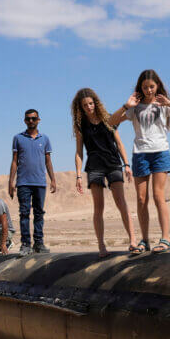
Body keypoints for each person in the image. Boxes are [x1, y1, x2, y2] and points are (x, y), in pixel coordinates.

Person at [110, 70, 170, 254]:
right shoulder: (134, 108)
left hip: (160, 152)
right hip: (140, 154)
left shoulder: (164, 105)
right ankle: (144, 240)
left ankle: (165, 239)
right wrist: (126, 105)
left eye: (152, 87)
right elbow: (111, 121)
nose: (148, 90)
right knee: (141, 199)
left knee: (158, 196)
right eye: (145, 87)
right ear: (140, 87)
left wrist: (168, 102)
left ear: (157, 87)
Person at [71, 88, 138, 258]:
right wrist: (78, 175)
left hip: (113, 163)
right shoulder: (80, 125)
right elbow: (79, 152)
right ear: (80, 107)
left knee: (121, 202)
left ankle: (133, 241)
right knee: (98, 207)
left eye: (91, 103)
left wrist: (127, 165)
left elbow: (119, 143)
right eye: (85, 105)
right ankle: (101, 245)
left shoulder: (108, 118)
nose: (89, 107)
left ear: (96, 102)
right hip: (94, 166)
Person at [8, 108, 57, 255]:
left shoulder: (45, 139)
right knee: (24, 213)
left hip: (40, 182)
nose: (31, 121)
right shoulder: (18, 138)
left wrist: (53, 179)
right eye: (28, 119)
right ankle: (25, 245)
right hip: (23, 182)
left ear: (38, 120)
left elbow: (48, 161)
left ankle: (39, 244)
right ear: (24, 120)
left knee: (39, 213)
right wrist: (11, 182)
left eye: (33, 118)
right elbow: (14, 161)